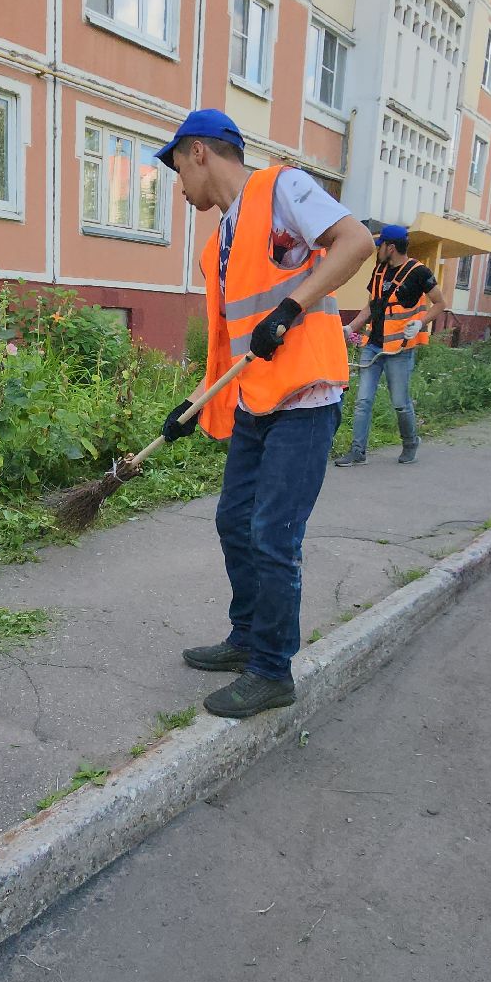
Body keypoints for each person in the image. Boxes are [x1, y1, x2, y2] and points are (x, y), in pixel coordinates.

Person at [152, 110, 374, 719]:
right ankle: (247, 637)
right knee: (234, 523)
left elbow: (356, 242)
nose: (179, 187)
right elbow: (232, 345)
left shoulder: (282, 189)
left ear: (198, 152)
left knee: (273, 536)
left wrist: (292, 307)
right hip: (254, 401)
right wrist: (195, 406)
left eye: (177, 169)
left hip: (304, 400)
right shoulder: (219, 242)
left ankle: (273, 671)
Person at [334, 224, 440, 467]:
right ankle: (358, 451)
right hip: (373, 346)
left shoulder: (419, 272)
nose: (377, 249)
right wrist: (351, 327)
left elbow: (440, 303)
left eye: (380, 245)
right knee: (362, 402)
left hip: (399, 350)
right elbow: (372, 306)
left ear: (390, 248)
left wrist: (420, 323)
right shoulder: (379, 270)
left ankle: (411, 442)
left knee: (400, 404)